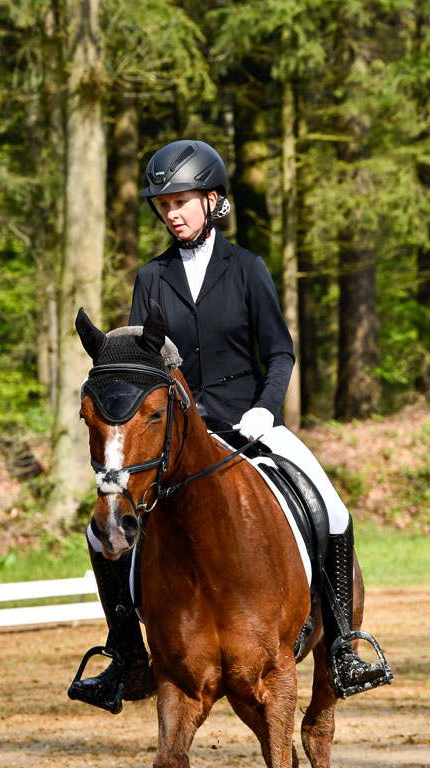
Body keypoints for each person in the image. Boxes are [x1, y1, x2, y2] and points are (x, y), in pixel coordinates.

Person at [72, 139, 390, 711]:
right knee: (102, 530)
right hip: (177, 440)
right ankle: (127, 653)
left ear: (212, 200)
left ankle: (344, 645)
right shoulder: (152, 276)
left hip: (250, 422)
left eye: (181, 201)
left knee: (333, 509)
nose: (171, 213)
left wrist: (265, 408)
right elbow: (146, 365)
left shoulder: (247, 268)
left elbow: (281, 352)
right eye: (163, 205)